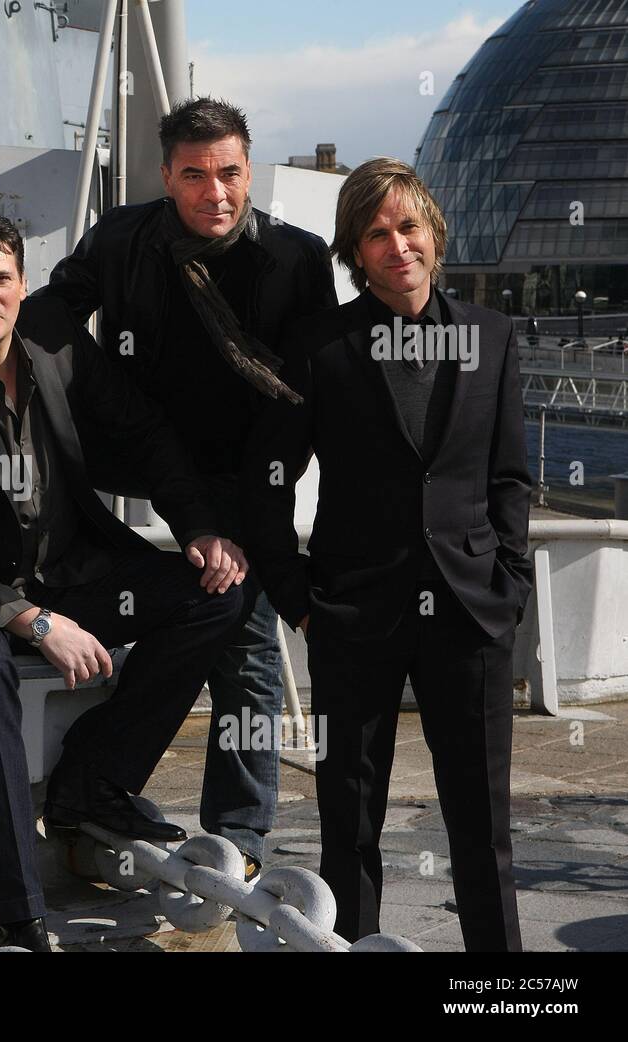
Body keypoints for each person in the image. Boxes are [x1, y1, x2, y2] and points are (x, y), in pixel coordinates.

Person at [0, 211, 249, 952]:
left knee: (216, 595)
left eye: (2, 278)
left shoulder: (58, 344)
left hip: (68, 571)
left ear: (23, 285)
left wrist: (200, 528)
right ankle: (19, 911)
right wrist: (32, 620)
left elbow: (144, 433)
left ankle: (93, 783)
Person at [38, 97, 337, 881]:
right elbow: (45, 320)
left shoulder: (297, 260)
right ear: (167, 177)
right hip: (136, 445)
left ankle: (237, 831)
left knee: (238, 629)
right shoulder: (123, 240)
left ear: (250, 170)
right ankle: (95, 777)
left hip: (247, 464)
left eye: (230, 173)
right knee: (96, 578)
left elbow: (306, 395)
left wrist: (241, 519)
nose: (216, 193)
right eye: (195, 175)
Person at [241, 158, 531, 950]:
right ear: (355, 253)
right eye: (376, 233)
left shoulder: (492, 338)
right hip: (353, 615)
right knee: (350, 827)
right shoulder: (318, 349)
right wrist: (298, 599)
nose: (396, 245)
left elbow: (509, 477)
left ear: (434, 235)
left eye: (408, 226)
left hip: (473, 611)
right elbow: (266, 486)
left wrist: (511, 586)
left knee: (484, 830)